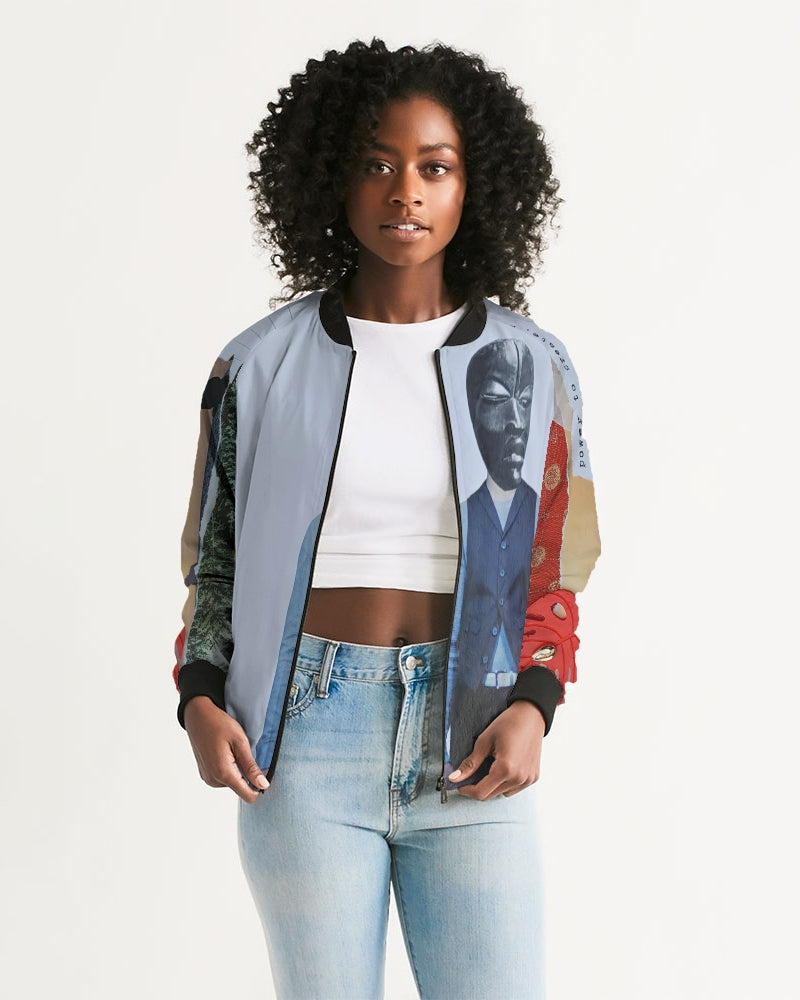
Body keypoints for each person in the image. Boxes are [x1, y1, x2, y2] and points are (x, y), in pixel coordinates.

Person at [173, 38, 600, 1000]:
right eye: (376, 163)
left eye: (434, 167)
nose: (405, 191)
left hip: (475, 731)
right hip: (304, 738)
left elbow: (556, 563)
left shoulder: (531, 366)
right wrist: (198, 695)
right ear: (331, 177)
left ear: (473, 186)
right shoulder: (257, 364)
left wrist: (534, 702)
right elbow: (216, 558)